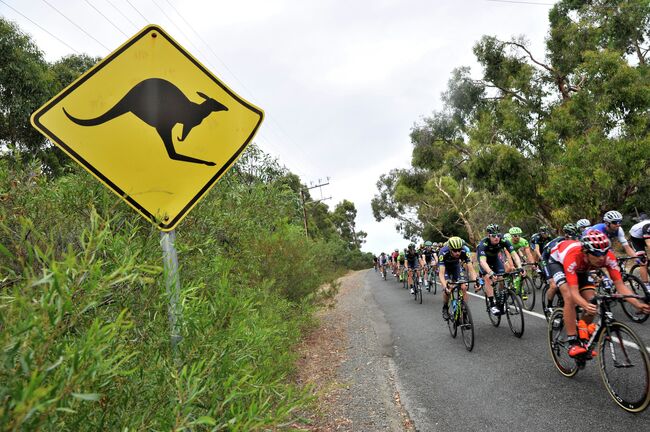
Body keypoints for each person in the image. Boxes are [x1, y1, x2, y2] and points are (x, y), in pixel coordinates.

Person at [548, 229, 650, 357]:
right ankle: (572, 342)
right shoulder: (573, 256)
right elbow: (574, 292)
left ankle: (583, 332)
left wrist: (637, 304)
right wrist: (583, 304)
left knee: (592, 301)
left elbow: (620, 285)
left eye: (604, 253)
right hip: (558, 262)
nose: (601, 258)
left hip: (583, 268)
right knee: (569, 297)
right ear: (586, 252)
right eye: (596, 254)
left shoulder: (608, 257)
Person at [477, 224, 523, 315]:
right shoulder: (483, 244)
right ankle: (492, 304)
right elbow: (482, 261)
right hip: (484, 261)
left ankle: (500, 300)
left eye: (498, 235)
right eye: (493, 236)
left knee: (501, 278)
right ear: (488, 235)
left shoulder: (503, 240)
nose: (496, 238)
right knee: (487, 278)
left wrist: (520, 267)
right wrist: (490, 272)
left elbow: (514, 254)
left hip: (495, 259)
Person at [540, 223, 580, 314]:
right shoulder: (557, 242)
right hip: (548, 259)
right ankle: (549, 306)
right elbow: (547, 257)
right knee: (553, 285)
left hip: (562, 260)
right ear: (566, 235)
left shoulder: (576, 241)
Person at [439, 236, 477, 320]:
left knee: (463, 286)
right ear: (449, 249)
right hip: (445, 269)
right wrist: (445, 287)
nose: (458, 253)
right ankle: (445, 307)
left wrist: (476, 282)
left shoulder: (464, 251)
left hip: (456, 267)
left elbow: (471, 269)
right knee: (449, 288)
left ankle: (464, 311)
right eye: (455, 251)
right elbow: (441, 274)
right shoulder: (443, 252)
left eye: (459, 250)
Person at [629, 213, 650, 290]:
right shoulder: (647, 226)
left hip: (645, 236)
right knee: (643, 261)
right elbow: (648, 243)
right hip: (636, 240)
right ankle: (646, 285)